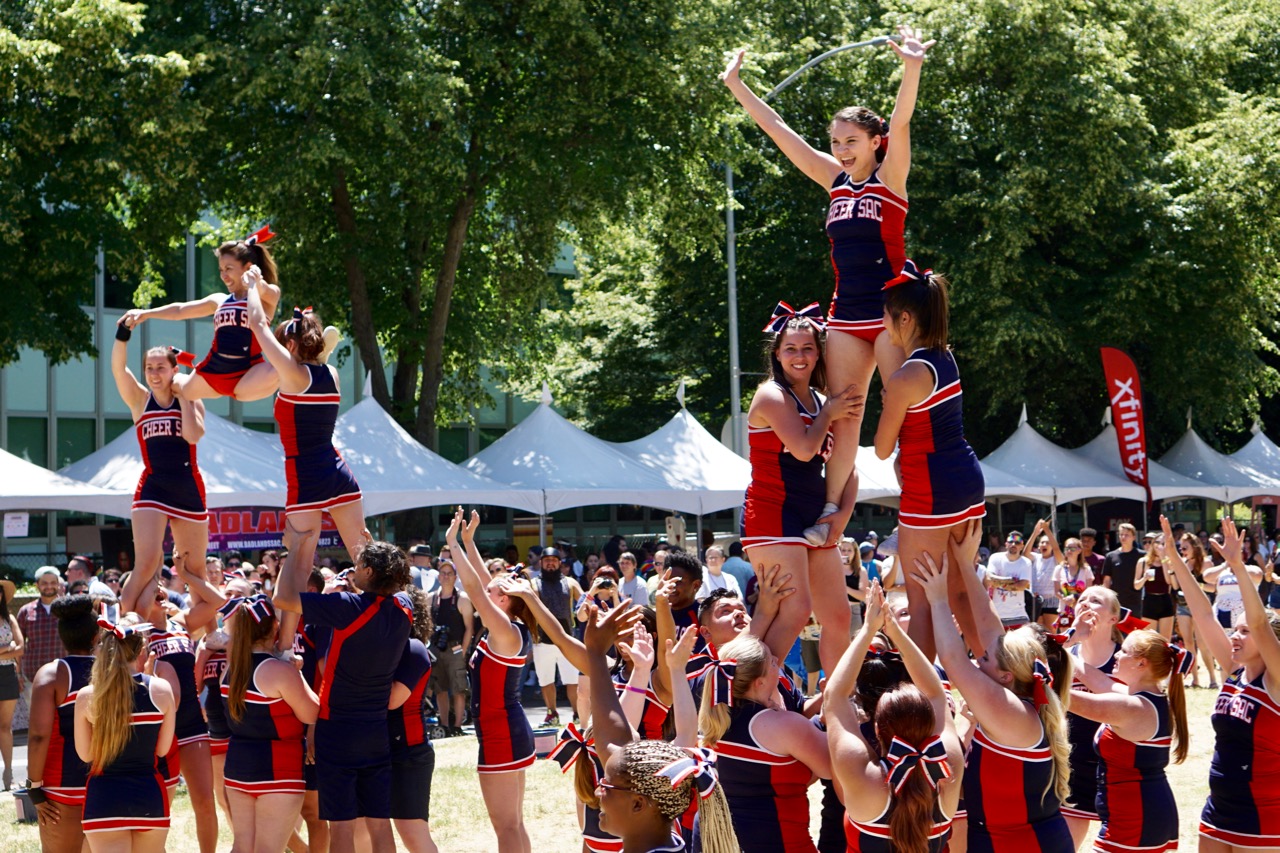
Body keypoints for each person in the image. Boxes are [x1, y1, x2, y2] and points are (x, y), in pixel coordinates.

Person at [721, 28, 936, 548]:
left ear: (874, 143)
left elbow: (903, 119)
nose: (840, 150)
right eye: (836, 141)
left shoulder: (891, 179)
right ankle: (829, 514)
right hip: (844, 317)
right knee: (844, 418)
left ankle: (919, 505)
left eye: (851, 142)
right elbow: (777, 129)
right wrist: (735, 85)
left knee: (902, 410)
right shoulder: (832, 180)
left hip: (890, 314)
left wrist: (912, 67)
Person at [914, 522, 1074, 853]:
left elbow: (955, 662)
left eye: (985, 657)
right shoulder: (1016, 692)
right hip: (1001, 838)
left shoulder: (1013, 713)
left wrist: (938, 599)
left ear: (1006, 676)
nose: (979, 655)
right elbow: (989, 625)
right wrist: (965, 562)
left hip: (1022, 844)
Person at [245, 291, 372, 652]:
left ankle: (285, 647)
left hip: (306, 474)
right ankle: (393, 620)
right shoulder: (330, 373)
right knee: (366, 555)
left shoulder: (292, 374)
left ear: (290, 343)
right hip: (337, 469)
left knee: (299, 564)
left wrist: (254, 284)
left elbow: (257, 323)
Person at [872, 259, 985, 658]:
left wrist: (889, 400)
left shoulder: (906, 378)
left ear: (904, 317)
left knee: (921, 602)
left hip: (929, 489)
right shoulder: (945, 357)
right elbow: (889, 340)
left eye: (886, 315)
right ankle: (1002, 672)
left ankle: (922, 702)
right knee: (960, 589)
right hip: (966, 479)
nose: (881, 323)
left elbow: (883, 449)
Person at [274, 537, 413, 853]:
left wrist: (294, 551)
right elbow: (389, 580)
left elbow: (281, 598)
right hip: (377, 729)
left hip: (337, 730)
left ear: (366, 569)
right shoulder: (404, 608)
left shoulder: (346, 607)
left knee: (341, 829)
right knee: (380, 825)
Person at [740, 307, 858, 674]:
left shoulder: (824, 402)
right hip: (773, 513)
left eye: (808, 348)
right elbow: (805, 448)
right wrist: (830, 414)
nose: (800, 356)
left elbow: (847, 467)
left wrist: (841, 515)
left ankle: (836, 701)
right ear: (776, 353)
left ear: (819, 352)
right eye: (790, 349)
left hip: (815, 518)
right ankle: (747, 694)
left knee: (839, 617)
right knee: (794, 609)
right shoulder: (770, 396)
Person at [1160, 515, 1280, 850]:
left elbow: (1259, 623)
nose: (1235, 636)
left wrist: (1238, 567)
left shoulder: (1277, 679)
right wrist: (1174, 558)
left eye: (1244, 632)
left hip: (1264, 815)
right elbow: (1204, 614)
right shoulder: (1233, 671)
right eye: (1235, 629)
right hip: (1218, 810)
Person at [581, 598, 739, 853]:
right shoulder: (667, 840)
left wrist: (597, 652)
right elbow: (686, 734)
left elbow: (614, 739)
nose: (599, 790)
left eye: (607, 785)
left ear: (638, 804)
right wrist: (668, 669)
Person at [826, 582, 964, 853]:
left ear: (878, 728)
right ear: (930, 722)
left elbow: (835, 698)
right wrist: (896, 633)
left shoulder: (865, 778)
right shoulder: (948, 768)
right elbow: (936, 692)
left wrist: (868, 630)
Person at [447, 508, 534, 852]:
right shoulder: (510, 626)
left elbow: (474, 587)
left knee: (507, 827)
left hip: (502, 732)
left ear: (506, 601)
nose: (491, 583)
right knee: (513, 823)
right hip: (505, 728)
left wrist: (452, 544)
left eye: (499, 587)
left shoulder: (506, 630)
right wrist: (469, 542)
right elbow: (484, 584)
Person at [697, 633, 832, 852]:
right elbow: (829, 768)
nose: (777, 662)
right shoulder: (783, 725)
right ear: (759, 682)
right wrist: (833, 716)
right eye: (771, 661)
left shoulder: (718, 720)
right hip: (785, 845)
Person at [115, 228, 281, 403]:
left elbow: (268, 291)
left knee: (285, 368)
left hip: (246, 378)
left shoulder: (265, 297)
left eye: (229, 269)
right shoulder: (219, 300)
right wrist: (145, 313)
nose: (223, 276)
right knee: (175, 387)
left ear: (247, 268)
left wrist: (255, 280)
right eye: (220, 269)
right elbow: (181, 310)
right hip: (212, 374)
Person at [109, 331, 208, 616]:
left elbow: (193, 435)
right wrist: (122, 336)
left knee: (194, 568)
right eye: (149, 368)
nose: (154, 373)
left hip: (188, 486)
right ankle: (119, 629)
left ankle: (207, 635)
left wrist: (186, 395)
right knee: (147, 562)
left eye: (161, 367)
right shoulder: (141, 400)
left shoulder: (190, 398)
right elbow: (118, 370)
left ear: (175, 370)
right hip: (153, 487)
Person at [1066, 624, 1187, 853]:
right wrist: (1065, 648)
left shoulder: (1133, 706)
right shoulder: (1143, 697)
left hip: (1136, 818)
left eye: (1124, 651)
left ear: (1141, 663)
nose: (1117, 654)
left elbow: (1064, 698)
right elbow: (1101, 683)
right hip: (1140, 812)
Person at [219, 594, 319, 853]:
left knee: (242, 847)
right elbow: (312, 713)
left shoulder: (230, 669)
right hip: (278, 769)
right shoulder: (277, 670)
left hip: (238, 767)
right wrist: (295, 671)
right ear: (274, 626)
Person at [142, 559, 225, 853]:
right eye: (151, 588)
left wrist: (189, 575)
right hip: (154, 729)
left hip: (191, 723)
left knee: (204, 801)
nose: (159, 590)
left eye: (161, 585)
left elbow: (218, 601)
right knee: (157, 809)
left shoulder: (182, 623)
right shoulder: (136, 632)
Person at [74, 617, 177, 850]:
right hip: (148, 793)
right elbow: (162, 750)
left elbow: (86, 755)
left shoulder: (87, 696)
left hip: (104, 797)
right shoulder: (161, 689)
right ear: (141, 649)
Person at [26, 595, 97, 853]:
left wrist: (33, 787)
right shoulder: (114, 672)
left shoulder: (51, 674)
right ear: (95, 635)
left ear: (62, 636)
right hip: (109, 779)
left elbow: (37, 736)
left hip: (63, 785)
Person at [1058, 587, 1122, 849]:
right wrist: (1070, 640)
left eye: (1096, 601)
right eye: (1082, 599)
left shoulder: (1126, 657)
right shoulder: (1064, 651)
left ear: (1113, 618)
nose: (1086, 604)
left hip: (1115, 766)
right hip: (1068, 762)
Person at [387, 586, 441, 853]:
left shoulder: (414, 649)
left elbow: (393, 700)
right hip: (382, 749)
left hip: (410, 752)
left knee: (412, 833)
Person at [529, 546, 584, 726]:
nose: (550, 564)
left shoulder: (570, 583)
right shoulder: (533, 584)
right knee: (546, 680)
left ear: (560, 563)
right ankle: (551, 713)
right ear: (541, 563)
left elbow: (583, 602)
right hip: (542, 641)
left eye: (554, 560)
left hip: (567, 640)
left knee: (572, 680)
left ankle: (578, 713)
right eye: (547, 561)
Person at [428, 560, 474, 737]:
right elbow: (427, 625)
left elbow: (469, 627)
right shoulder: (431, 598)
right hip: (437, 650)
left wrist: (463, 650)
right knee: (440, 689)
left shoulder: (462, 599)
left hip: (455, 648)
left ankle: (457, 726)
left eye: (450, 573)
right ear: (438, 576)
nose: (446, 576)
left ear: (455, 577)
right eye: (443, 573)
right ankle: (444, 723)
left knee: (459, 689)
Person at [20, 569, 67, 726]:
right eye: (44, 583)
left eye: (53, 583)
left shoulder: (67, 609)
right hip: (33, 675)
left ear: (59, 585)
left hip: (63, 674)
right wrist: (18, 673)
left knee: (62, 722)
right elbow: (19, 644)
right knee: (37, 722)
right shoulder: (26, 611)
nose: (49, 586)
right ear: (37, 585)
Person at [1169, 532, 1217, 689]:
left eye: (1185, 547)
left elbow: (1213, 587)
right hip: (1183, 605)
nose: (1182, 551)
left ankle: (1212, 679)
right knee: (1188, 643)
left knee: (1203, 644)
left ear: (1194, 547)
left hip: (1200, 606)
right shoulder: (1182, 563)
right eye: (1180, 548)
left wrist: (1197, 585)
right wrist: (1171, 570)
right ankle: (1195, 679)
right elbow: (1176, 587)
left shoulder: (1206, 563)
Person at [985, 532, 1033, 629]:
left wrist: (997, 582)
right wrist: (1011, 581)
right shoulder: (995, 558)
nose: (1013, 545)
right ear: (1006, 544)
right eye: (1011, 542)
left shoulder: (1025, 562)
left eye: (1017, 543)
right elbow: (989, 579)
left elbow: (1021, 586)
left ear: (1022, 546)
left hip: (1018, 615)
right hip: (997, 615)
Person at [1135, 535, 1176, 640]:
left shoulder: (1168, 561)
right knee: (1149, 639)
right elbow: (1136, 585)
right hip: (1149, 600)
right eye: (1157, 542)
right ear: (1153, 544)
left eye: (1163, 543)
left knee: (1165, 640)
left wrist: (1163, 559)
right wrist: (1144, 578)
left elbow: (1169, 582)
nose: (1160, 546)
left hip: (1165, 600)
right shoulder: (1143, 562)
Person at [1101, 524, 1145, 619]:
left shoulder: (1142, 555)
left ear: (1134, 537)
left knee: (1134, 632)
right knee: (1116, 632)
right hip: (1117, 602)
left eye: (1127, 535)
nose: (1123, 537)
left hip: (1136, 602)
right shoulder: (1111, 556)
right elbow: (1107, 581)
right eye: (1121, 534)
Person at [1051, 538, 1095, 634]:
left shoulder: (1086, 569)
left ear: (1079, 550)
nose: (1069, 551)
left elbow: (1089, 591)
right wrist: (1065, 599)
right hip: (1064, 610)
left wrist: (1075, 598)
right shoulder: (1059, 569)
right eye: (1067, 548)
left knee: (1082, 638)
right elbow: (1056, 591)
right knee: (1066, 639)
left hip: (1082, 609)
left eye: (1073, 548)